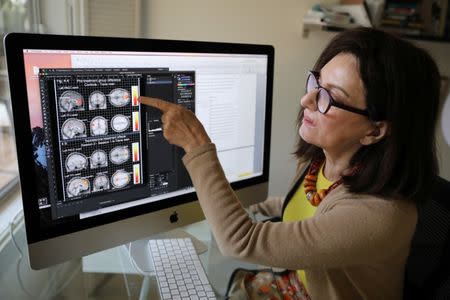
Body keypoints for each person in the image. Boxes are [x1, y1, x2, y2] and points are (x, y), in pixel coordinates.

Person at [138, 27, 441, 299]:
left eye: (329, 97)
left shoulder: (380, 215)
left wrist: (195, 144)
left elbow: (240, 241)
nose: (306, 100)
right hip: (294, 281)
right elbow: (306, 206)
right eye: (315, 82)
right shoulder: (325, 161)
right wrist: (254, 208)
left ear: (374, 130)